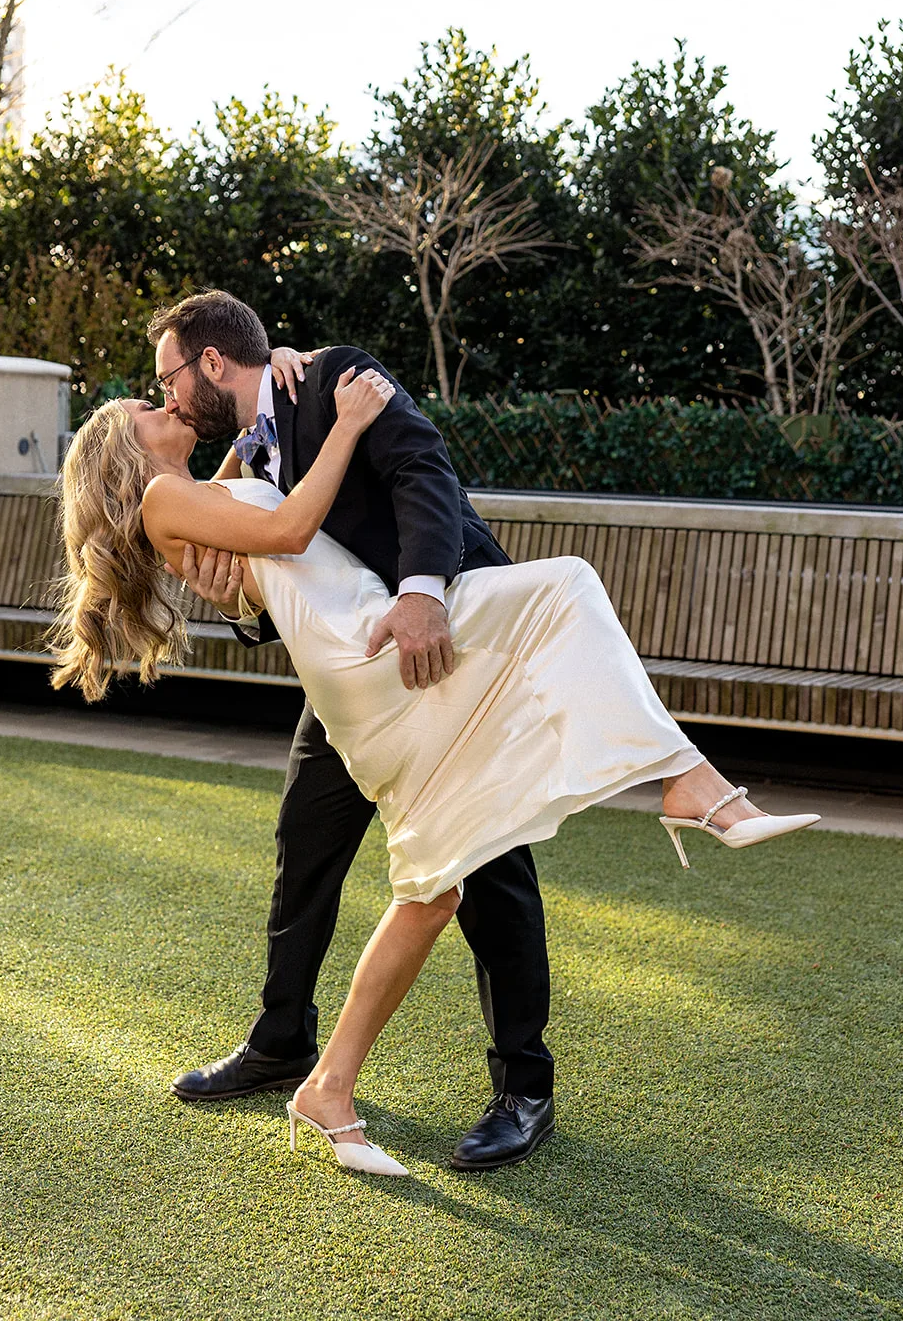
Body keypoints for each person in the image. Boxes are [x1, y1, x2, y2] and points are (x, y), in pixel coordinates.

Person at [52, 301, 820, 1179]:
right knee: (310, 851)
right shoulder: (201, 469)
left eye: (168, 380)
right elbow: (277, 546)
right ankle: (281, 1043)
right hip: (355, 664)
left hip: (417, 634)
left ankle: (483, 1088)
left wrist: (414, 577)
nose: (166, 397)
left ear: (216, 362)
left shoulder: (297, 394)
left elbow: (419, 468)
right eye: (156, 400)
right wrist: (254, 554)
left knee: (459, 878)